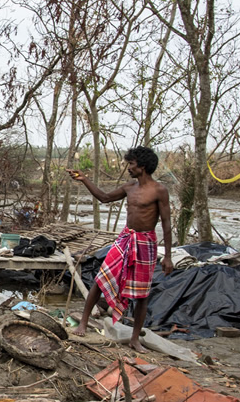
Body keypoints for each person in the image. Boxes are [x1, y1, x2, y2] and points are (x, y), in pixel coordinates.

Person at [68, 146, 174, 352]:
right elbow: (104, 197)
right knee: (102, 277)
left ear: (142, 167)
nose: (128, 168)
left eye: (131, 164)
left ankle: (135, 339)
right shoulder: (129, 187)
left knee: (142, 293)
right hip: (126, 238)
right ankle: (83, 322)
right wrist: (84, 179)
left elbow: (166, 223)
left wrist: (168, 256)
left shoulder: (159, 190)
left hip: (145, 243)